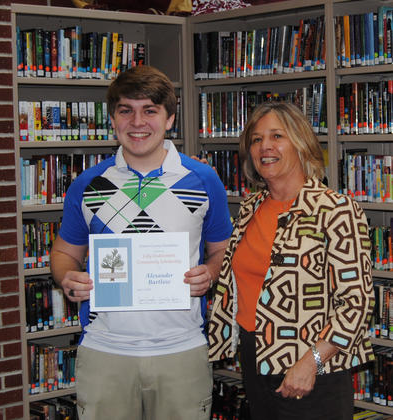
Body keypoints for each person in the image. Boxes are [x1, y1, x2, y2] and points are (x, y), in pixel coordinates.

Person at [50, 65, 233, 420]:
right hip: (105, 351)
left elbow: (222, 250)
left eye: (150, 110)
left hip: (182, 349)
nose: (137, 122)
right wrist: (67, 276)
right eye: (126, 111)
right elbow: (63, 252)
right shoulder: (88, 184)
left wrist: (210, 274)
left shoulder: (202, 179)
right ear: (113, 119)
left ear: (169, 119)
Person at [207, 101, 375, 420]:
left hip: (313, 369)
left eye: (277, 136)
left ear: (300, 143)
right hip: (255, 357)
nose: (265, 147)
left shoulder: (335, 210)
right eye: (256, 139)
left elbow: (357, 302)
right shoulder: (250, 208)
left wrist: (312, 362)